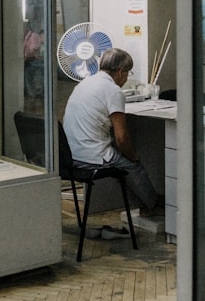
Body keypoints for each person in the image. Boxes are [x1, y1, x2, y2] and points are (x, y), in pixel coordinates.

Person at [62, 47, 162, 215]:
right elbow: (122, 138)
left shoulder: (84, 83)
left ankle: (145, 204)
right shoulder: (113, 91)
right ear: (121, 72)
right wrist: (133, 156)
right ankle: (151, 206)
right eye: (128, 73)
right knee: (134, 166)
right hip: (92, 156)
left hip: (70, 154)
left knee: (125, 161)